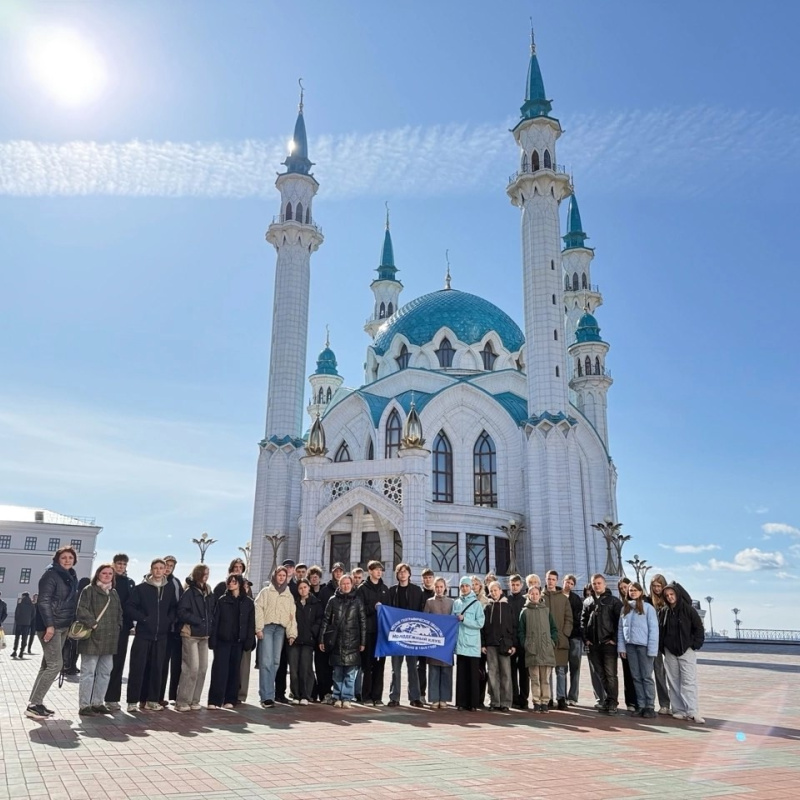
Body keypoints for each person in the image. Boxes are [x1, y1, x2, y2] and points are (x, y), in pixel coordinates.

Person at [26, 546, 80, 720]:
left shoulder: (70, 576)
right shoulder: (50, 575)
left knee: (47, 665)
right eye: (63, 557)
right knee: (56, 665)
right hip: (51, 626)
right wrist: (49, 625)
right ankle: (34, 704)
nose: (67, 560)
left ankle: (36, 703)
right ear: (57, 559)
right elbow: (43, 601)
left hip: (63, 625)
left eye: (70, 558)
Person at [125, 558, 178, 712]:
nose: (159, 571)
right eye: (156, 568)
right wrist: (144, 618)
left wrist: (169, 620)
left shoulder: (169, 589)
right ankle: (132, 702)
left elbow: (174, 607)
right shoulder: (141, 588)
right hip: (143, 635)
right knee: (137, 668)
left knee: (157, 668)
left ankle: (152, 700)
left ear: (164, 570)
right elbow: (130, 607)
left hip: (161, 636)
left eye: (161, 568)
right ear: (151, 569)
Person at [76, 563, 123, 716]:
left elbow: (119, 613)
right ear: (98, 574)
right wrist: (94, 624)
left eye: (110, 573)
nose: (107, 575)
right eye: (104, 573)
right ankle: (84, 705)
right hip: (92, 638)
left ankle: (98, 702)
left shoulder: (114, 593)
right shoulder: (89, 590)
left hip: (110, 639)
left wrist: (118, 626)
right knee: (88, 673)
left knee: (105, 673)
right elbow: (81, 610)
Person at [659, 583, 705, 724]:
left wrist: (694, 645)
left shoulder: (688, 610)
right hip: (670, 652)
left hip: (686, 651)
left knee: (688, 681)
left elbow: (699, 629)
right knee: (673, 681)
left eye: (672, 594)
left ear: (677, 595)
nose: (670, 597)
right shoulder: (664, 611)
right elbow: (661, 630)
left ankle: (692, 711)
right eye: (667, 595)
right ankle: (678, 710)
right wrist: (663, 647)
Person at [208, 574, 256, 709]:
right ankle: (214, 701)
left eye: (234, 582)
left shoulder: (248, 602)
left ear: (240, 584)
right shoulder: (222, 601)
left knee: (235, 672)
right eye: (229, 581)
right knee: (219, 671)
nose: (231, 584)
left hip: (238, 642)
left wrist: (249, 641)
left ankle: (230, 699)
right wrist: (213, 640)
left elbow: (251, 623)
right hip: (223, 641)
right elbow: (215, 621)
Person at [319, 573, 365, 708]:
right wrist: (322, 638)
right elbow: (326, 620)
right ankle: (337, 696)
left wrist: (363, 642)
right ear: (339, 585)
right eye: (343, 584)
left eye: (348, 583)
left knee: (350, 673)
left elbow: (362, 622)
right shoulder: (333, 600)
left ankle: (347, 697)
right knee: (337, 672)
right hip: (337, 641)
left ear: (352, 585)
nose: (346, 586)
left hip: (353, 640)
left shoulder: (357, 601)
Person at [254, 566, 297, 708]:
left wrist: (291, 633)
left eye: (284, 575)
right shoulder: (266, 592)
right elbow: (258, 609)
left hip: (280, 629)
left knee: (276, 662)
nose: (281, 577)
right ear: (275, 576)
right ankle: (266, 696)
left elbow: (292, 615)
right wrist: (259, 628)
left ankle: (270, 694)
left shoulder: (288, 594)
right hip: (267, 628)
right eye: (279, 575)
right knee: (266, 661)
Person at [175, 564, 216, 712]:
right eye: (205, 573)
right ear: (198, 574)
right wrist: (198, 620)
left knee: (203, 669)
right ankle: (182, 701)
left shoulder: (208, 591)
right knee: (191, 668)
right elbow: (181, 612)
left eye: (208, 573)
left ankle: (195, 700)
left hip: (204, 635)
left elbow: (211, 611)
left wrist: (209, 623)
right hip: (190, 634)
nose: (207, 575)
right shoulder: (189, 592)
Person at [582, 574, 623, 714]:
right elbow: (583, 621)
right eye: (594, 583)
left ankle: (613, 702)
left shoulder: (614, 602)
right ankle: (607, 699)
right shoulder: (587, 602)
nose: (597, 586)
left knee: (611, 674)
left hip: (608, 644)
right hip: (593, 645)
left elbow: (620, 623)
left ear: (604, 585)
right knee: (600, 673)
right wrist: (586, 639)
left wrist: (614, 640)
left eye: (599, 583)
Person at [618, 581, 659, 718]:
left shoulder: (648, 608)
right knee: (635, 677)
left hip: (644, 646)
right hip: (630, 647)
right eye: (630, 590)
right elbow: (620, 630)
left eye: (635, 590)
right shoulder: (625, 609)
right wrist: (622, 647)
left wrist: (652, 649)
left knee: (646, 676)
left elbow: (654, 630)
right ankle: (640, 705)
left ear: (641, 592)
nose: (633, 592)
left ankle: (650, 706)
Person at [387, 563, 425, 708]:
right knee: (395, 668)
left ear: (409, 574)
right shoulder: (392, 591)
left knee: (412, 668)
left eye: (405, 572)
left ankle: (415, 697)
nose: (402, 574)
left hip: (412, 635)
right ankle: (394, 697)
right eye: (400, 572)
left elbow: (422, 612)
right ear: (397, 575)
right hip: (397, 636)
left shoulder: (416, 591)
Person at [519, 583, 558, 712]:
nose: (534, 596)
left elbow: (553, 628)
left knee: (545, 679)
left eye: (536, 593)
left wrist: (552, 641)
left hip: (546, 649)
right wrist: (526, 643)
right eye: (532, 593)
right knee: (535, 678)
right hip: (532, 650)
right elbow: (521, 631)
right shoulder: (525, 612)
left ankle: (545, 701)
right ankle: (536, 701)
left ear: (540, 594)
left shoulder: (546, 610)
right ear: (528, 595)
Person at [357, 560, 390, 706]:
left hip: (381, 633)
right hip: (368, 632)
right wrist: (373, 608)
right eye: (376, 569)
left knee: (380, 666)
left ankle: (377, 696)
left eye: (380, 570)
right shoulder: (362, 589)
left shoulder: (385, 589)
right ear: (369, 571)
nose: (379, 572)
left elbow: (389, 610)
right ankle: (366, 696)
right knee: (368, 665)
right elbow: (359, 610)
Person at [105, 554, 136, 710]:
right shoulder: (108, 579)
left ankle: (112, 698)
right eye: (118, 563)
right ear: (113, 564)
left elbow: (132, 604)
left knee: (118, 663)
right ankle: (96, 697)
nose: (121, 566)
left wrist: (129, 623)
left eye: (123, 564)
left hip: (122, 629)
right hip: (106, 628)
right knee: (103, 663)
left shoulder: (130, 583)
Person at [481, 580, 515, 711]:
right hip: (490, 645)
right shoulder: (487, 607)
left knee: (506, 673)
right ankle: (494, 701)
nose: (494, 593)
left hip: (505, 645)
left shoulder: (508, 606)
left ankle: (505, 702)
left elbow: (513, 626)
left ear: (501, 591)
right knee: (492, 673)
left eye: (496, 590)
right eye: (491, 591)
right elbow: (483, 628)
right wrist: (483, 643)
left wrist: (513, 644)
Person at [452, 576, 485, 712]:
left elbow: (480, 623)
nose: (464, 588)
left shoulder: (476, 604)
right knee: (461, 675)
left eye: (466, 586)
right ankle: (461, 702)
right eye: (462, 586)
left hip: (472, 645)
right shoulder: (456, 603)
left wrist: (465, 619)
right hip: (460, 644)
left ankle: (473, 703)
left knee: (472, 675)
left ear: (470, 587)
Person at [288, 578, 322, 705]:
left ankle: (306, 695)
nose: (303, 590)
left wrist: (313, 632)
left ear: (309, 588)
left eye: (305, 587)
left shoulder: (315, 603)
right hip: (294, 640)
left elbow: (319, 620)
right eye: (300, 588)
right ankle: (295, 694)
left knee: (305, 668)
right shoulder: (294, 603)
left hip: (308, 641)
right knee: (294, 669)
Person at [543, 569, 573, 710]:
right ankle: (548, 698)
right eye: (549, 579)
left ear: (557, 581)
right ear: (545, 579)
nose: (550, 581)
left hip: (561, 640)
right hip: (545, 640)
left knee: (561, 671)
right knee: (547, 671)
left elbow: (569, 618)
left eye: (553, 579)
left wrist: (565, 633)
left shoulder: (563, 598)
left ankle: (561, 698)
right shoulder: (540, 597)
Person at [424, 577, 454, 709]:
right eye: (437, 587)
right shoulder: (429, 602)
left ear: (445, 588)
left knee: (446, 671)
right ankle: (434, 698)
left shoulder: (451, 602)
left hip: (447, 641)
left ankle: (445, 698)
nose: (439, 589)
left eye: (441, 587)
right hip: (433, 642)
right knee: (434, 670)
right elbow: (425, 620)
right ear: (434, 588)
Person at [159, 555, 184, 707]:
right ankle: (157, 695)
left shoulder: (175, 582)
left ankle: (173, 695)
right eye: (166, 565)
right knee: (160, 664)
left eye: (171, 566)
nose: (168, 568)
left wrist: (173, 621)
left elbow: (179, 604)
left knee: (176, 664)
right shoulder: (153, 580)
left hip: (173, 630)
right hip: (158, 629)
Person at [647, 573, 671, 715]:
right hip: (653, 643)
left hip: (667, 642)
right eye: (654, 586)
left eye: (659, 586)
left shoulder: (669, 600)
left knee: (672, 674)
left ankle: (674, 704)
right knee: (658, 673)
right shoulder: (648, 601)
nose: (656, 589)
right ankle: (662, 704)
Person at [506, 574, 528, 709]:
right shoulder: (506, 601)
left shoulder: (525, 601)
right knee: (512, 671)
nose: (514, 587)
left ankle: (524, 699)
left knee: (524, 672)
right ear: (509, 585)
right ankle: (514, 697)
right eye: (512, 584)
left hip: (524, 641)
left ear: (521, 585)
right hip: (510, 641)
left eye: (517, 585)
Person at [617, 577, 638, 712]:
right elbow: (620, 628)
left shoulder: (644, 605)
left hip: (640, 645)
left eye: (626, 587)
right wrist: (621, 646)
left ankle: (642, 701)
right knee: (628, 674)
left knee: (640, 674)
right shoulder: (622, 606)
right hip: (626, 645)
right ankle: (630, 702)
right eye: (622, 589)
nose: (625, 590)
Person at [562, 573, 583, 706]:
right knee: (561, 668)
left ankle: (573, 696)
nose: (568, 585)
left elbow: (579, 618)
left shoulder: (576, 599)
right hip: (562, 637)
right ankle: (561, 695)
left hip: (574, 637)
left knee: (575, 667)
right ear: (563, 582)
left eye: (571, 583)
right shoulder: (557, 596)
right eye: (567, 582)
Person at [418, 567, 436, 703]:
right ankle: (421, 693)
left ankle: (435, 695)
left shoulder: (440, 593)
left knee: (435, 666)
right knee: (422, 665)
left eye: (430, 577)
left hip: (436, 635)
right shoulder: (419, 593)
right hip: (422, 635)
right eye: (425, 577)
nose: (427, 580)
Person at [11, 593, 36, 659]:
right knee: (24, 638)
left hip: (19, 623)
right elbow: (33, 615)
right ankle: (21, 652)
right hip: (27, 624)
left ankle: (15, 650)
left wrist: (17, 621)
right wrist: (29, 620)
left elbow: (16, 614)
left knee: (17, 638)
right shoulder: (32, 606)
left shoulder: (19, 605)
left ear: (23, 596)